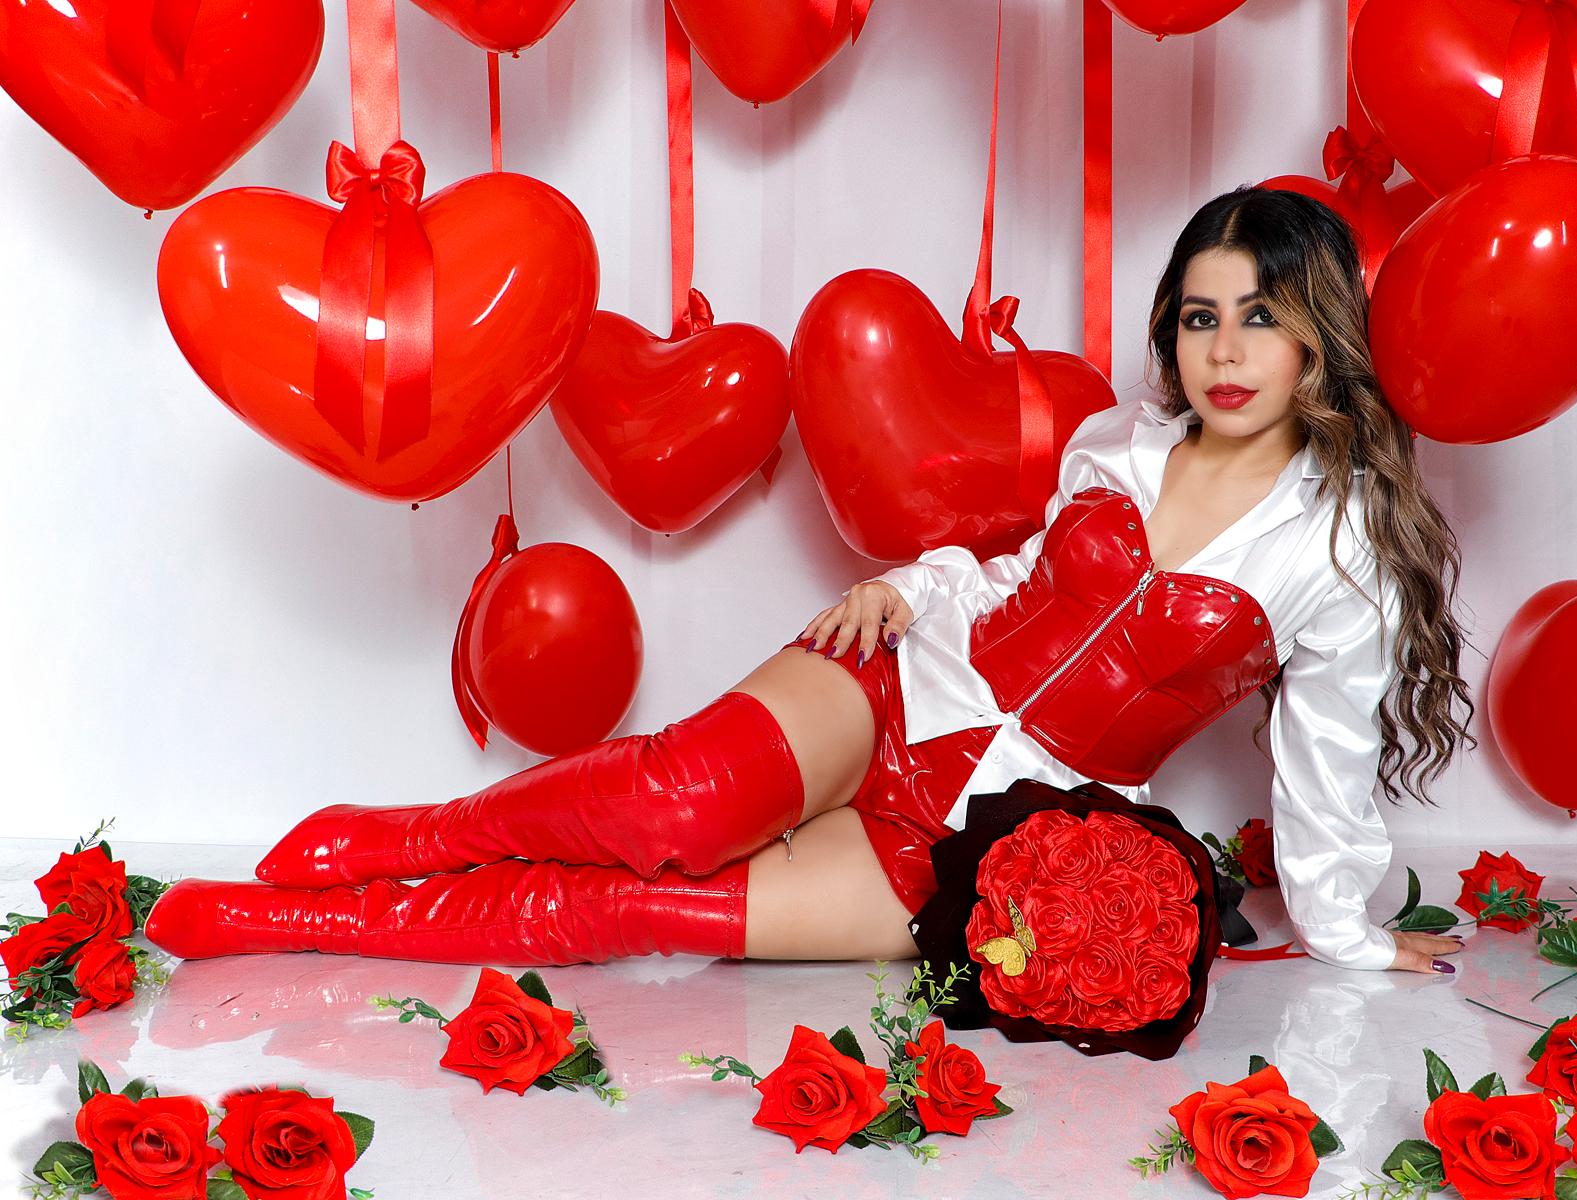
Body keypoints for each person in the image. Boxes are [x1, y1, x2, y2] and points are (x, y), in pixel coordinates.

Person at [147, 187, 1476, 978]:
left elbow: (1327, 757)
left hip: (996, 837)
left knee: (648, 909)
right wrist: (914, 587)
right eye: (1200, 316)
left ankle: (283, 926)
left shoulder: (1341, 554)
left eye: (1261, 318)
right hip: (896, 677)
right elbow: (1018, 574)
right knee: (668, 804)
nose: (1225, 352)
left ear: (1321, 340)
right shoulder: (1116, 445)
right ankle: (388, 841)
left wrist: (1349, 934)